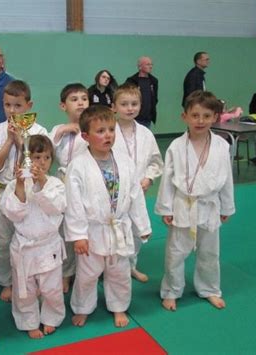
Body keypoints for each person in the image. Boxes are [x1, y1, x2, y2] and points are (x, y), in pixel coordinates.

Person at [65, 105, 152, 328]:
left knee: (119, 272)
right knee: (87, 275)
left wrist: (142, 225)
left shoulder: (124, 161)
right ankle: (83, 308)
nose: (108, 135)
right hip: (92, 231)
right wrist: (78, 235)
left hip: (119, 228)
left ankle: (119, 307)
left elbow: (135, 195)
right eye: (101, 131)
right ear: (85, 136)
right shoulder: (78, 165)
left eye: (111, 130)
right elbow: (74, 203)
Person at [156, 90, 235, 312]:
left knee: (210, 252)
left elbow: (227, 178)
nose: (200, 121)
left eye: (207, 116)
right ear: (185, 117)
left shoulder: (222, 146)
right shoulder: (176, 146)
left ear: (215, 117)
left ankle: (210, 289)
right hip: (183, 205)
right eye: (195, 115)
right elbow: (167, 180)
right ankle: (171, 290)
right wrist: (165, 208)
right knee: (176, 252)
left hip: (210, 205)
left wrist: (227, 205)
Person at [0, 80, 48, 302]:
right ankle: (6, 281)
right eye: (7, 105)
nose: (12, 110)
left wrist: (21, 142)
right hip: (3, 193)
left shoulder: (39, 131)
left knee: (30, 238)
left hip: (29, 195)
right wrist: (9, 141)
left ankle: (32, 277)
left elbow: (40, 164)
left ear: (29, 105)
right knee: (3, 242)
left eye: (18, 105)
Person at [0, 135, 66, 339]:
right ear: (25, 160)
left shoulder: (55, 184)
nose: (42, 162)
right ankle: (28, 321)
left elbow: (57, 207)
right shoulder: (14, 185)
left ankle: (51, 318)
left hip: (48, 246)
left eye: (47, 157)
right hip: (24, 247)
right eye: (37, 157)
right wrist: (20, 184)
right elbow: (12, 213)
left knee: (52, 289)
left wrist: (42, 182)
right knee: (24, 291)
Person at [112, 84, 163, 283]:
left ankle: (131, 265)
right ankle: (111, 268)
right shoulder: (109, 131)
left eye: (134, 104)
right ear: (114, 107)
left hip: (138, 191)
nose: (130, 108)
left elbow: (156, 161)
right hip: (114, 191)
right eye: (124, 104)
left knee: (135, 230)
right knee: (114, 231)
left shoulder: (146, 134)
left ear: (140, 106)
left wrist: (149, 177)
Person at [49, 83, 89, 293]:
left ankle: (86, 273)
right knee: (64, 233)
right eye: (74, 99)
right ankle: (66, 273)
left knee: (84, 231)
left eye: (84, 98)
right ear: (63, 106)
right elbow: (45, 151)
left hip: (86, 187)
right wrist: (62, 131)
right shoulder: (57, 130)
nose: (80, 102)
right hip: (62, 185)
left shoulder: (93, 129)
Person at [125, 56, 159, 128]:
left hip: (147, 119)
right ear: (140, 66)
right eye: (148, 64)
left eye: (151, 64)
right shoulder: (131, 81)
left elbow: (155, 99)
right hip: (134, 117)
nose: (151, 66)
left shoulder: (154, 81)